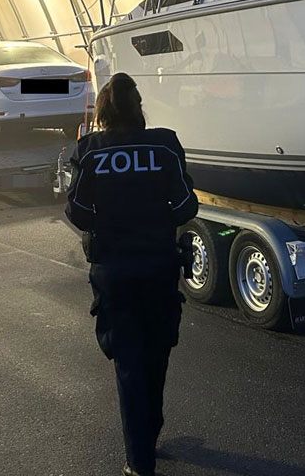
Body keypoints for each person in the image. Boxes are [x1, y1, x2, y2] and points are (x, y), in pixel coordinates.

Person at [66, 73, 197, 476]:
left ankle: (139, 461)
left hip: (115, 274)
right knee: (157, 356)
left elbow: (78, 213)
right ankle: (150, 434)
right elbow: (186, 207)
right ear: (138, 108)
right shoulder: (164, 145)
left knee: (129, 364)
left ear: (103, 112)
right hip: (159, 269)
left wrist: (110, 215)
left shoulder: (90, 151)